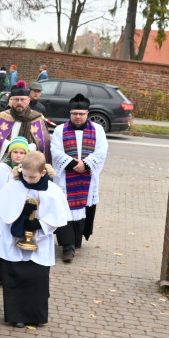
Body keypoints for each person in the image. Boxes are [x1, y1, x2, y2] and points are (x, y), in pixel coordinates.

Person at [0, 150, 67, 327]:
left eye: (32, 177)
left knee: (36, 279)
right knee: (14, 277)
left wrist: (40, 225)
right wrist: (19, 214)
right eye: (24, 175)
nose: (27, 180)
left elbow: (58, 218)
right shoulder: (14, 185)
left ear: (43, 173)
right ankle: (15, 316)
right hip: (13, 241)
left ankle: (34, 316)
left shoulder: (53, 191)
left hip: (39, 242)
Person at [51, 94, 108, 263]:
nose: (78, 117)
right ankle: (67, 246)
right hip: (65, 177)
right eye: (75, 113)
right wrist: (71, 163)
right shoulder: (60, 130)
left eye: (81, 114)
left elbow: (101, 150)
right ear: (70, 113)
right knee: (65, 208)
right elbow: (55, 151)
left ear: (87, 113)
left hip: (87, 177)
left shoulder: (97, 129)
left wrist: (86, 164)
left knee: (82, 209)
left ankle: (76, 242)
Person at [0, 137, 30, 286]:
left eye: (22, 153)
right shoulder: (0, 169)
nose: (18, 155)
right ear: (9, 153)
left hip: (15, 215)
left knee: (11, 245)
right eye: (15, 152)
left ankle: (10, 274)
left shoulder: (27, 172)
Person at [0, 81, 51, 178]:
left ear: (28, 101)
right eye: (16, 99)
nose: (19, 102)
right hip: (6, 162)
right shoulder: (3, 116)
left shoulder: (38, 118)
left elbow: (44, 143)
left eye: (22, 99)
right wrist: (11, 146)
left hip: (29, 164)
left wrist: (26, 148)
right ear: (11, 100)